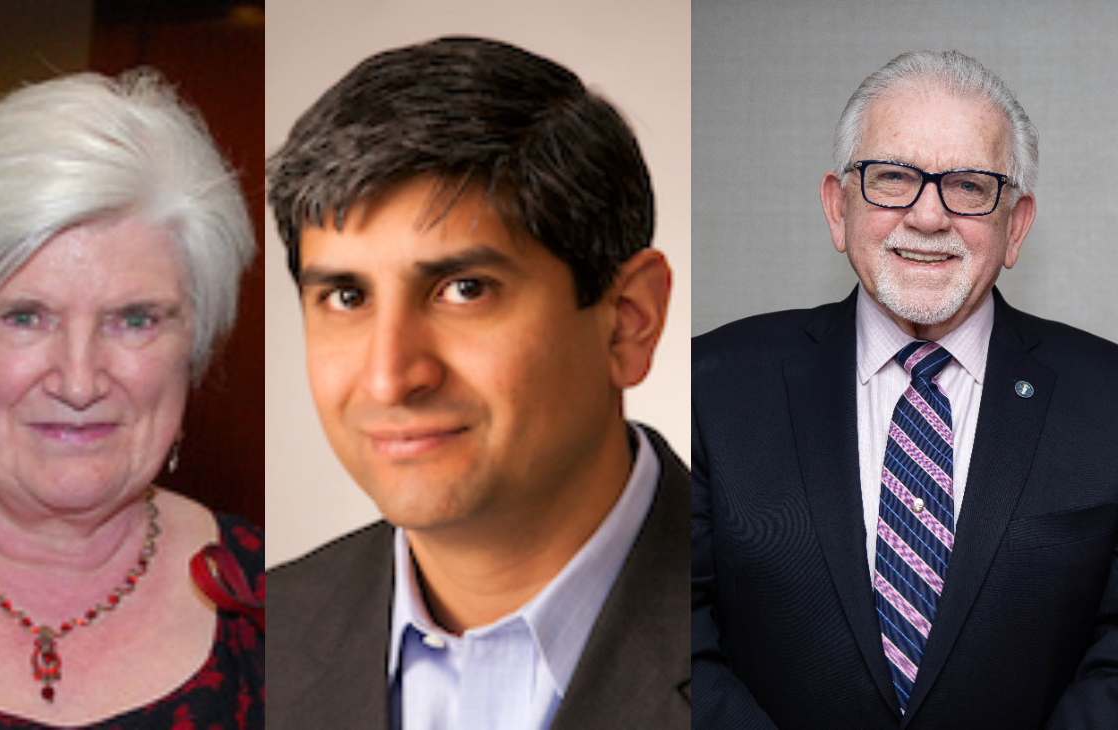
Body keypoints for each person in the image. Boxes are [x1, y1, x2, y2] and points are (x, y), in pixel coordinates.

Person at [263, 36, 700, 728]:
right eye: (346, 297)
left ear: (628, 322)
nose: (389, 378)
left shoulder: (794, 639)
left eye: (464, 289)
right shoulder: (256, 639)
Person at [690, 50, 1118, 728]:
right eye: (892, 178)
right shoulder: (710, 387)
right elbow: (676, 629)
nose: (926, 217)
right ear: (838, 208)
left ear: (1017, 224)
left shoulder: (1108, 399)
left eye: (970, 186)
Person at [0, 71, 264, 727]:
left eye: (136, 319)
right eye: (25, 317)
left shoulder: (289, 604)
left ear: (194, 348)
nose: (79, 381)